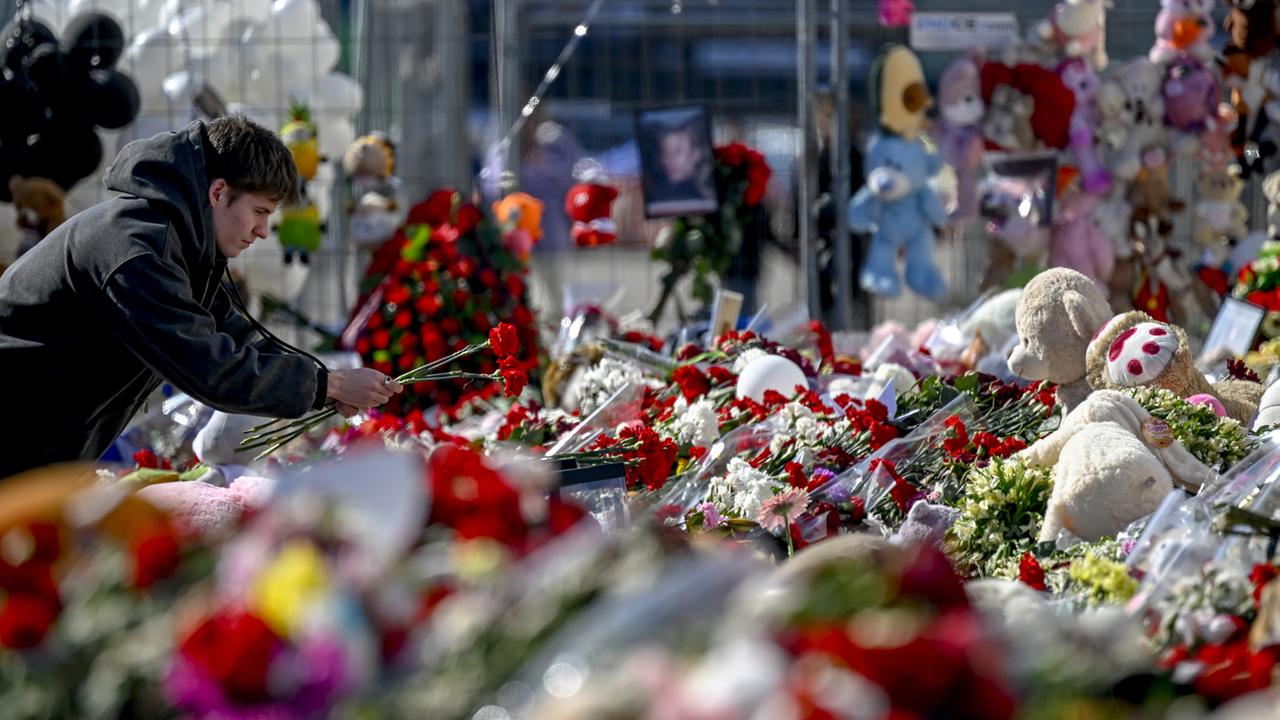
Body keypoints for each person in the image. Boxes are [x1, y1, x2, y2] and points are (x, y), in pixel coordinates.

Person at [0, 116, 402, 480]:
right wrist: (328, 385)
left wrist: (327, 383)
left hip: (37, 451)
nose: (263, 230)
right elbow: (210, 367)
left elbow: (238, 336)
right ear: (218, 192)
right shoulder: (137, 249)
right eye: (260, 211)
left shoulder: (180, 243)